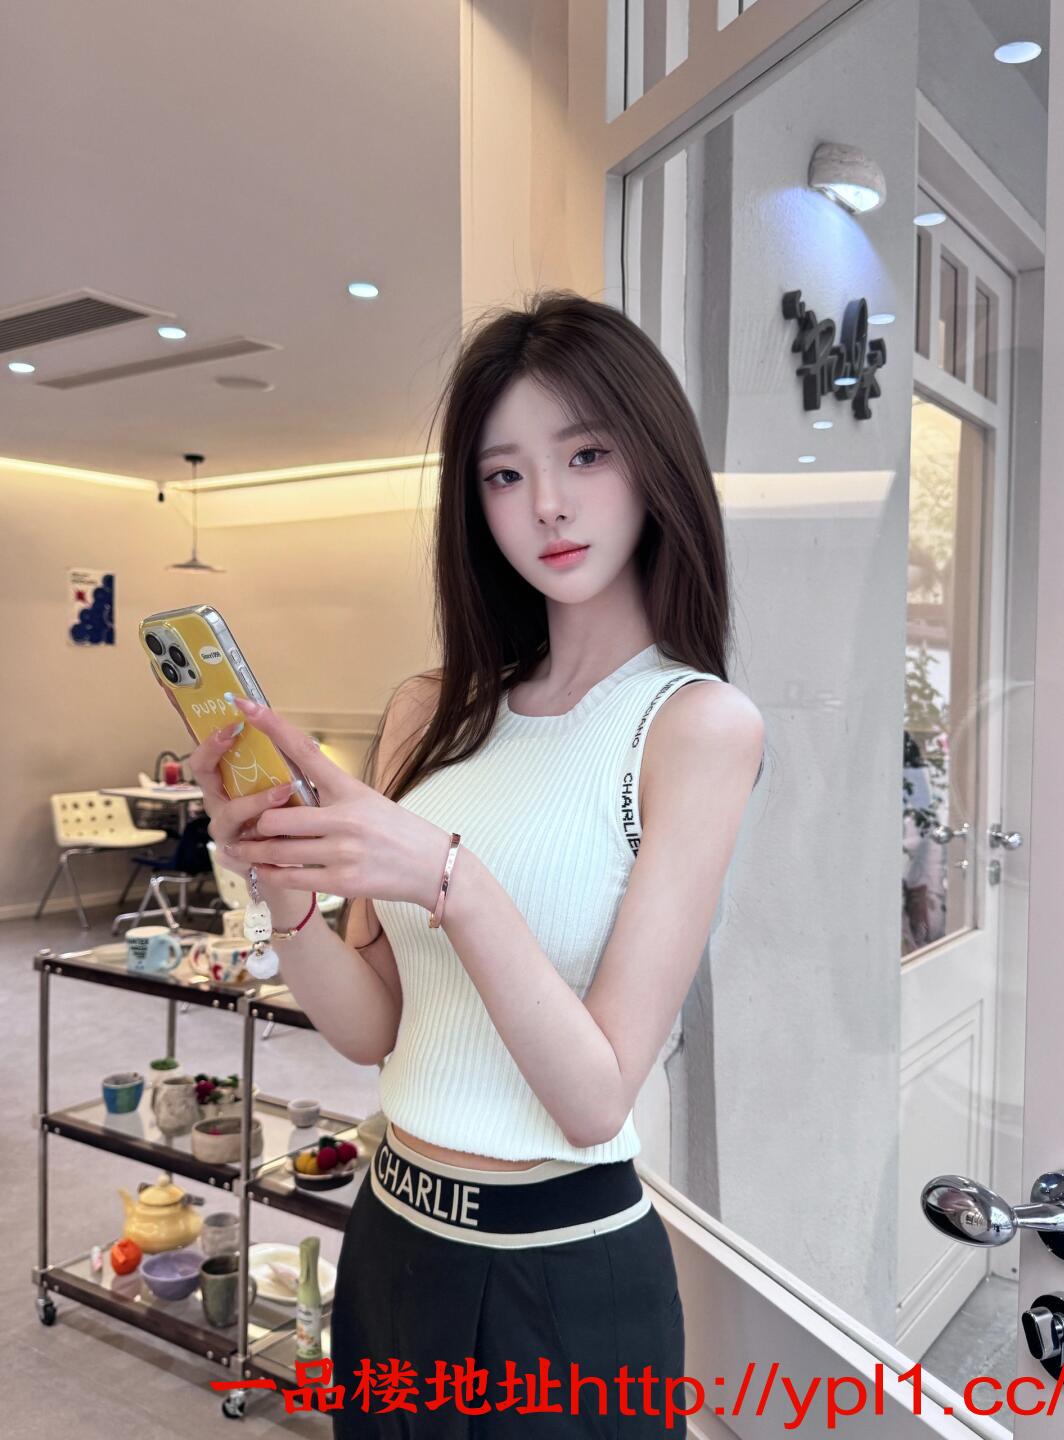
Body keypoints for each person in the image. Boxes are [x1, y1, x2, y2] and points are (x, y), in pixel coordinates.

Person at [189, 290, 765, 1437]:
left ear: (653, 464)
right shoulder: (429, 712)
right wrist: (280, 876)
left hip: (565, 1274)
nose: (546, 502)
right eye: (504, 474)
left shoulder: (695, 726)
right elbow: (369, 1029)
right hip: (393, 1241)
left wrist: (449, 876)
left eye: (585, 454)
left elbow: (594, 1098)